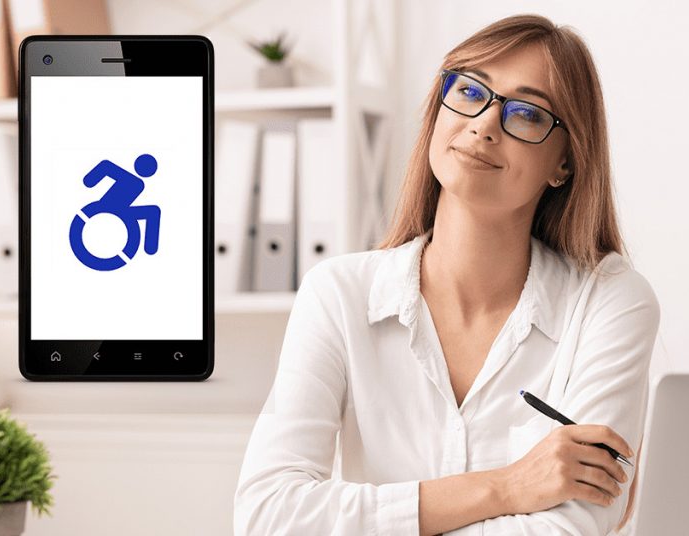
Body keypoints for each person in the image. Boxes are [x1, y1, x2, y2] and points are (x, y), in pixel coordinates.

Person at [234, 14, 660, 536]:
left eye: (526, 114)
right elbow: (268, 516)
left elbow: (570, 529)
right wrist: (505, 487)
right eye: (469, 90)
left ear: (564, 164)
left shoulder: (609, 303)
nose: (483, 124)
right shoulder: (339, 294)